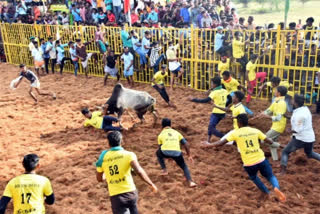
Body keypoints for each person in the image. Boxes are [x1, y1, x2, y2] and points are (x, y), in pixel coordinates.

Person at [202, 114, 286, 202]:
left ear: (239, 123)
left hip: (249, 163)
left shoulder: (235, 133)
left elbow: (221, 143)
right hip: (261, 159)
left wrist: (209, 145)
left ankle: (267, 192)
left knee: (254, 177)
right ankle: (276, 188)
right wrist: (274, 142)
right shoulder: (255, 131)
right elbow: (269, 141)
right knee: (270, 176)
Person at [96, 131, 158, 214]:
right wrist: (151, 184)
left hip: (116, 196)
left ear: (108, 143)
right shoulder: (129, 155)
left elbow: (99, 179)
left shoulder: (102, 158)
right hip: (131, 193)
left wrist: (106, 175)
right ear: (121, 141)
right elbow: (139, 171)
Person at [280, 94, 320, 175]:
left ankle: (283, 172)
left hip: (301, 139)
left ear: (295, 103)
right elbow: (298, 120)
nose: (291, 101)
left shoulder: (299, 115)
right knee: (310, 153)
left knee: (285, 152)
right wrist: (287, 117)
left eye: (292, 100)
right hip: (310, 138)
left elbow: (298, 129)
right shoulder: (305, 109)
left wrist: (290, 130)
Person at [157, 118, 196, 187]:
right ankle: (190, 182)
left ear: (162, 126)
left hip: (165, 152)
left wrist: (168, 156)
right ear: (170, 125)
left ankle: (164, 170)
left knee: (158, 153)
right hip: (177, 153)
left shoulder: (160, 134)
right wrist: (189, 155)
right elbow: (186, 144)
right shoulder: (177, 133)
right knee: (184, 166)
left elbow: (161, 147)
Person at [254, 86, 288, 161]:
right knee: (272, 144)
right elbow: (269, 110)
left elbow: (278, 118)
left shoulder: (282, 103)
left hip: (278, 126)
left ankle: (284, 146)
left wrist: (267, 117)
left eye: (275, 91)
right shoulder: (276, 101)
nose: (274, 92)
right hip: (275, 126)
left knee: (264, 140)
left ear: (279, 93)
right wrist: (261, 114)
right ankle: (275, 160)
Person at [190, 77, 228, 142]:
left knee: (211, 127)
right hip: (223, 112)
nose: (211, 85)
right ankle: (208, 140)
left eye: (212, 83)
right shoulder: (224, 90)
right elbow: (229, 98)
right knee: (211, 126)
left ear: (215, 84)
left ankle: (225, 137)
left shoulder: (214, 92)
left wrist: (194, 99)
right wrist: (224, 106)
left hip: (216, 112)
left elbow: (205, 100)